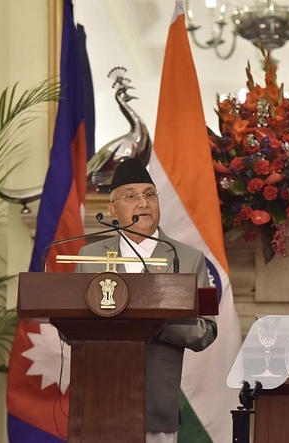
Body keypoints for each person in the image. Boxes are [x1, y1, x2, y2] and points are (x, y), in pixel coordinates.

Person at [76, 158, 217, 443]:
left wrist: (158, 322)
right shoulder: (89, 258)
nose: (143, 203)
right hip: (99, 403)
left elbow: (206, 330)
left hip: (157, 407)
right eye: (131, 196)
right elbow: (72, 329)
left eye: (149, 195)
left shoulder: (188, 259)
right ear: (112, 209)